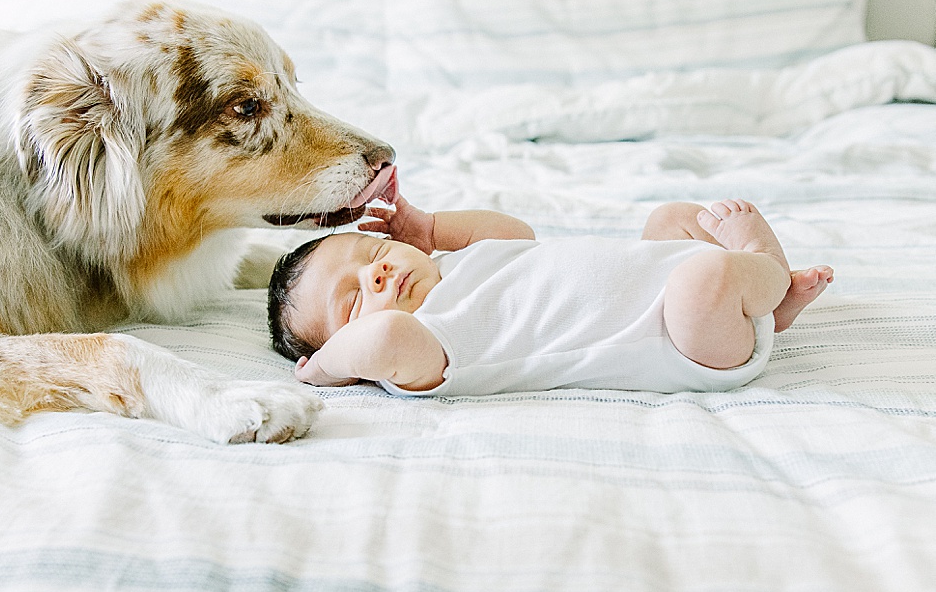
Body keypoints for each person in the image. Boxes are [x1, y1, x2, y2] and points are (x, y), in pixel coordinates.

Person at [267, 197, 834, 396]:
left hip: (673, 283)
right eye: (354, 300)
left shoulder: (456, 266)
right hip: (692, 343)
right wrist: (325, 370)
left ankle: (769, 308)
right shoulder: (426, 349)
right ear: (354, 350)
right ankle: (767, 272)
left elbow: (517, 235)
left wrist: (432, 229)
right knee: (702, 281)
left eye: (372, 255)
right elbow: (383, 339)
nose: (380, 274)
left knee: (672, 220)